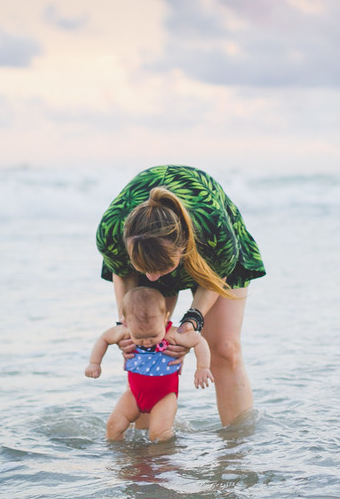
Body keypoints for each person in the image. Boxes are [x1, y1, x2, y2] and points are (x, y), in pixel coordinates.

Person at [95, 165, 265, 428]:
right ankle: (149, 454)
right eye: (145, 270)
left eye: (161, 270)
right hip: (148, 246)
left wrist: (192, 321)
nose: (152, 280)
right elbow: (124, 274)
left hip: (212, 253)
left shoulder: (214, 226)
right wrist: (126, 326)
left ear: (184, 247)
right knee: (144, 342)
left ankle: (237, 453)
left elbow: (216, 277)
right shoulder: (112, 229)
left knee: (225, 349)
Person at [86, 286, 213, 441]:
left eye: (153, 335)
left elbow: (199, 341)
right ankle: (121, 462)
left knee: (159, 435)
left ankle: (164, 462)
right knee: (114, 426)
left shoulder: (172, 333)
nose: (146, 342)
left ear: (165, 318)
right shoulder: (124, 331)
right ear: (125, 322)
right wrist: (94, 362)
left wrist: (202, 367)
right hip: (133, 394)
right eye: (139, 337)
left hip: (164, 397)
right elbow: (104, 338)